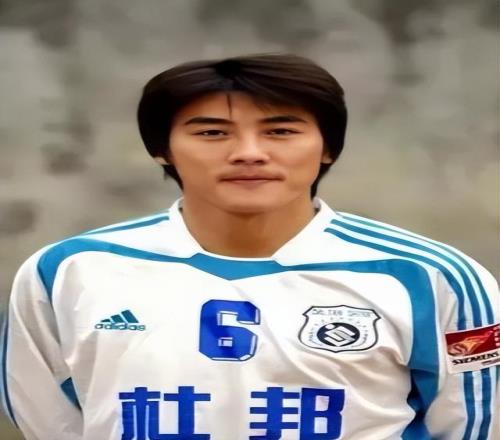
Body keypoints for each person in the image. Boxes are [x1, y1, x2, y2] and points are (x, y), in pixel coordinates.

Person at [1, 53, 498, 440]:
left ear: (327, 147)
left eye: (280, 131)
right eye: (212, 132)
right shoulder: (68, 271)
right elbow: (50, 421)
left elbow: (474, 425)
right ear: (162, 149)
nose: (249, 153)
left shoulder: (431, 277)